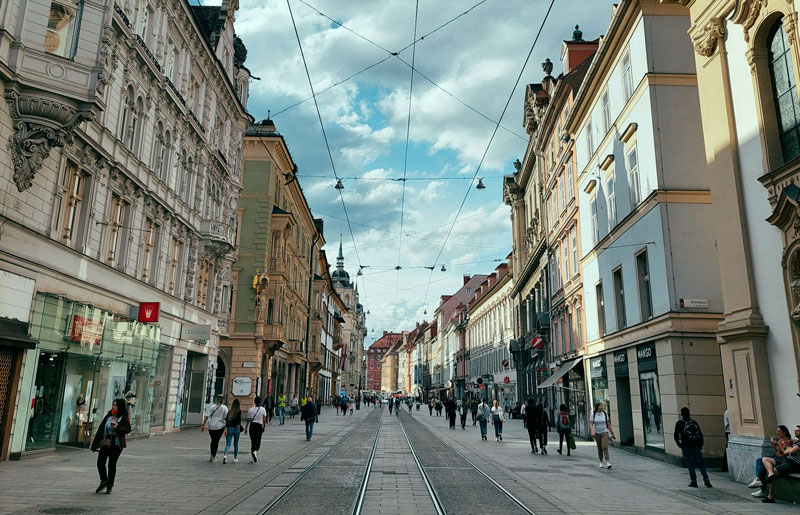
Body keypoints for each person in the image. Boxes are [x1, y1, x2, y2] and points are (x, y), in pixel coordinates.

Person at [90, 399, 131, 494]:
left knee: (111, 465)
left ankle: (110, 485)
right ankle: (104, 480)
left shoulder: (123, 417)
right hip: (106, 442)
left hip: (116, 444)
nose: (114, 407)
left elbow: (128, 429)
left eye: (116, 405)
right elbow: (101, 430)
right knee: (100, 462)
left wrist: (118, 428)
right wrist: (95, 444)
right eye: (113, 405)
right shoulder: (108, 416)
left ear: (120, 407)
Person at [758, 424, 800, 503]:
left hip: (794, 464)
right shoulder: (796, 442)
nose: (795, 432)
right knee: (764, 459)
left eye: (797, 431)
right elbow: (784, 452)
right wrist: (776, 445)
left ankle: (770, 496)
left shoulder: (794, 442)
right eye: (795, 430)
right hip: (787, 461)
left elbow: (790, 452)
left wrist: (790, 449)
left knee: (772, 470)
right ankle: (770, 475)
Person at [749, 424, 794, 498]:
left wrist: (778, 445)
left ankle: (762, 486)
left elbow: (785, 454)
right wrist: (774, 445)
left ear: (784, 432)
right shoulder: (780, 440)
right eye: (777, 431)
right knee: (759, 461)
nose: (777, 433)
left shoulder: (789, 441)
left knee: (764, 461)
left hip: (783, 460)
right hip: (776, 457)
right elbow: (776, 452)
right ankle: (759, 481)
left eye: (779, 431)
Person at [673, 407, 712, 488]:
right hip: (696, 445)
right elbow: (700, 434)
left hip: (686, 446)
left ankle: (693, 481)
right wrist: (701, 444)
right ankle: (706, 480)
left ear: (682, 414)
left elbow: (676, 434)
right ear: (689, 413)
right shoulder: (694, 422)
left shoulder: (679, 423)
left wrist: (678, 443)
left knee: (690, 464)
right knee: (701, 463)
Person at [201, 394, 228, 462]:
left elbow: (207, 416)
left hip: (211, 426)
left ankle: (212, 455)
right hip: (220, 426)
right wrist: (226, 428)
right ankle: (213, 456)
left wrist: (203, 425)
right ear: (223, 400)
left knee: (213, 440)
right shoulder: (224, 408)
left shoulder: (212, 406)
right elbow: (226, 418)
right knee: (216, 441)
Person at [590, 402, 615, 469]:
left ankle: (607, 462)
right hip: (597, 433)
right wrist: (592, 431)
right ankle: (601, 461)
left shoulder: (605, 414)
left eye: (602, 405)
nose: (602, 406)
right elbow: (591, 424)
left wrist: (612, 432)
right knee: (599, 447)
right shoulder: (593, 414)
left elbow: (608, 423)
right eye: (601, 405)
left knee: (605, 447)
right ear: (597, 407)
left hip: (604, 432)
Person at [245, 397, 267, 463]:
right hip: (259, 426)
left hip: (252, 426)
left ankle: (253, 455)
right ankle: (255, 451)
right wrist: (264, 427)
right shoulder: (263, 409)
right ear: (260, 402)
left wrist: (246, 427)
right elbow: (264, 419)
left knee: (253, 441)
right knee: (258, 440)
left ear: (254, 402)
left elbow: (248, 419)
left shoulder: (251, 409)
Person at [223, 399, 242, 464]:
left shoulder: (229, 412)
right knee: (236, 443)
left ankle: (225, 456)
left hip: (229, 428)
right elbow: (239, 420)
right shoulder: (239, 411)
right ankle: (235, 458)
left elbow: (227, 421)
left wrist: (226, 428)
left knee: (228, 444)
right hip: (236, 428)